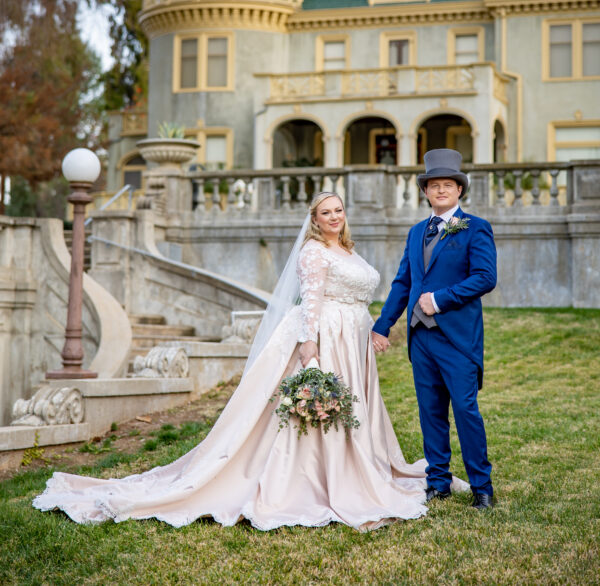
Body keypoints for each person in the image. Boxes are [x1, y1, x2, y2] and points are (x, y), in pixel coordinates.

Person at [34, 192, 467, 531]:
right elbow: (310, 300)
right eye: (326, 213)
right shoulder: (314, 252)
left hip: (352, 337)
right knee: (315, 412)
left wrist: (373, 328)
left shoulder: (348, 250)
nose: (334, 217)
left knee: (354, 408)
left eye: (338, 211)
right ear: (314, 221)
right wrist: (309, 344)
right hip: (327, 337)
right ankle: (321, 474)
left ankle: (360, 463)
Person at [372, 149, 497, 510]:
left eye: (448, 185)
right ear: (425, 191)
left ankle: (482, 487)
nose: (441, 190)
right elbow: (402, 283)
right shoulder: (415, 233)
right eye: (433, 185)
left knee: (465, 409)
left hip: (456, 337)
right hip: (420, 337)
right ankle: (438, 481)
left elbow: (485, 278)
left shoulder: (475, 228)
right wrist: (383, 326)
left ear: (459, 190)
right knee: (430, 411)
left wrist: (440, 299)